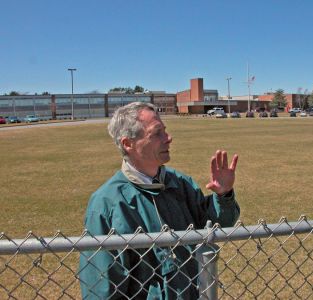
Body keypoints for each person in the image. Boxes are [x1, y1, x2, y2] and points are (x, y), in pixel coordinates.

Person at [79, 102, 240, 299]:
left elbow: (215, 226)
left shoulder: (180, 183)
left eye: (165, 130)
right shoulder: (107, 205)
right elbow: (102, 289)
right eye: (157, 133)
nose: (169, 138)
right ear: (128, 144)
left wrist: (223, 195)